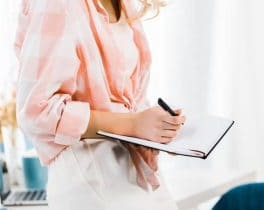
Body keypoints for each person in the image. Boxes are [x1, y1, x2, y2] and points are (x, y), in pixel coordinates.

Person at [14, 0, 185, 209]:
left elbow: (125, 99)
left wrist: (156, 131)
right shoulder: (56, 4)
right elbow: (36, 112)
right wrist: (133, 124)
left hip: (135, 173)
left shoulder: (123, 4)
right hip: (92, 183)